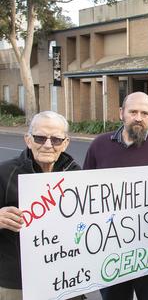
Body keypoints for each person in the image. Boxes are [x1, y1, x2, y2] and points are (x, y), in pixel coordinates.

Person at [83, 92, 148, 300]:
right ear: (121, 113)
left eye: (144, 113)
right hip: (111, 253)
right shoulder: (99, 146)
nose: (138, 117)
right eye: (133, 112)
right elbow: (86, 199)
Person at [0, 111, 81, 300]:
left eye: (56, 140)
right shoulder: (4, 173)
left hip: (67, 280)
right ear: (28, 140)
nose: (47, 145)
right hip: (17, 284)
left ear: (66, 143)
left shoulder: (77, 174)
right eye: (40, 138)